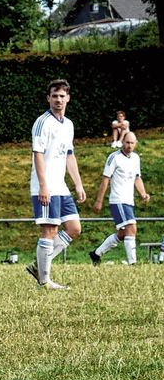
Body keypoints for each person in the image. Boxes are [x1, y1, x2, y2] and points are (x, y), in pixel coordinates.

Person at [26, 78, 87, 291]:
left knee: (74, 228)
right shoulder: (42, 122)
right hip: (45, 185)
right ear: (48, 98)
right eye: (54, 96)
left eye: (62, 96)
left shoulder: (68, 124)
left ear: (68, 98)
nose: (58, 100)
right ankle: (44, 282)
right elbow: (38, 154)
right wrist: (43, 186)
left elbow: (69, 155)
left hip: (61, 186)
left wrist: (78, 184)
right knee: (50, 230)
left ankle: (39, 264)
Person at [91, 131, 150, 265]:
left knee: (123, 234)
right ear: (122, 142)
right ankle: (133, 263)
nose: (129, 145)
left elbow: (137, 178)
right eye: (127, 142)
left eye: (132, 143)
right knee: (132, 228)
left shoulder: (136, 158)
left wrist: (143, 193)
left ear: (136, 144)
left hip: (129, 201)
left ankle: (96, 254)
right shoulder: (114, 157)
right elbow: (105, 179)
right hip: (118, 200)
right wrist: (99, 201)